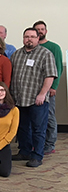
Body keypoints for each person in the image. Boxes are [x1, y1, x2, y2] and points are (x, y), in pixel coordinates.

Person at [10, 27, 57, 168]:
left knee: (38, 129)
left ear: (38, 38)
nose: (29, 39)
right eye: (26, 36)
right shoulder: (16, 54)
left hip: (37, 100)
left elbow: (50, 76)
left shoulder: (46, 54)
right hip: (19, 99)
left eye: (32, 36)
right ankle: (24, 151)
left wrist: (42, 94)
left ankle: (37, 155)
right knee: (23, 128)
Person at [33, 20, 63, 156]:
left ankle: (50, 144)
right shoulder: (32, 47)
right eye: (37, 29)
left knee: (49, 116)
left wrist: (53, 87)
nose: (40, 31)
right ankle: (38, 143)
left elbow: (58, 68)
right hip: (33, 90)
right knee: (36, 118)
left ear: (46, 31)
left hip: (48, 89)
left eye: (42, 29)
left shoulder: (54, 47)